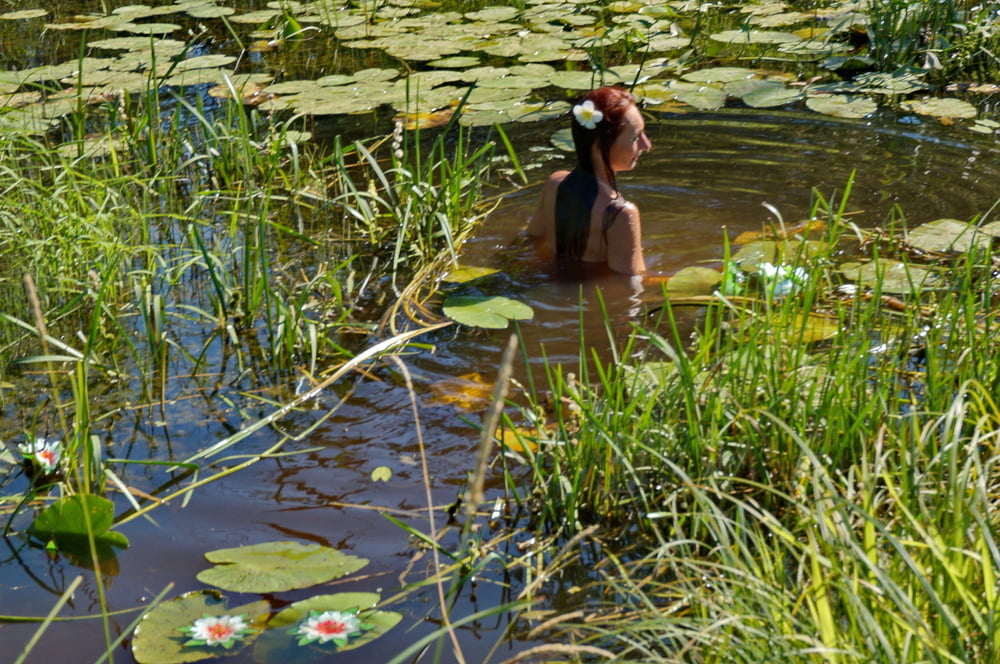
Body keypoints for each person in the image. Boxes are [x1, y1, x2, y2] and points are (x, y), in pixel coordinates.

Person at [527, 86, 652, 276]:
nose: (646, 145)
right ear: (598, 145)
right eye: (635, 137)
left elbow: (533, 236)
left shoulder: (554, 183)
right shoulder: (620, 213)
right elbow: (632, 283)